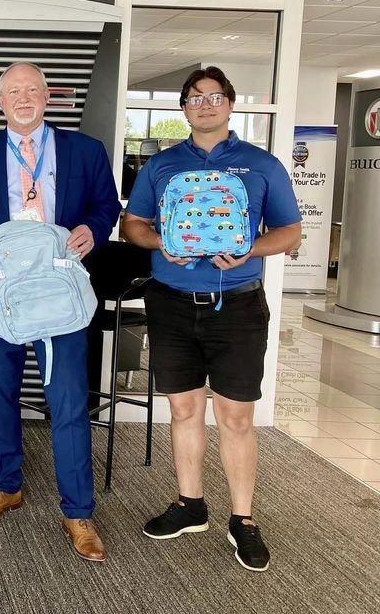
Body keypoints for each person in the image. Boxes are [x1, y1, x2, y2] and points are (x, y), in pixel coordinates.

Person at [121, 66, 301, 572]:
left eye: (215, 96)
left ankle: (242, 519)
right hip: (171, 302)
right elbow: (132, 224)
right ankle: (190, 505)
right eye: (196, 98)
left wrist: (247, 251)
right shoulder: (162, 166)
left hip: (238, 306)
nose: (205, 104)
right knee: (183, 411)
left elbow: (290, 232)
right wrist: (162, 243)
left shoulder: (260, 165)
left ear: (230, 104)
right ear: (183, 108)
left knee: (236, 417)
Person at [0, 62, 121, 562]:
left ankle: (78, 512)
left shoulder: (85, 151)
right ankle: (6, 486)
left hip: (60, 291)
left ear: (48, 97)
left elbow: (106, 205)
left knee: (67, 400)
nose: (23, 98)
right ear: (0, 101)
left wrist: (93, 227)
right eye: (13, 91)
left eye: (32, 89)